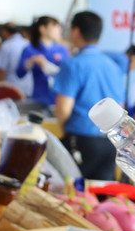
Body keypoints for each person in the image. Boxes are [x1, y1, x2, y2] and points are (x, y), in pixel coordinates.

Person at [53, 11, 124, 182]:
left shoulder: (73, 64)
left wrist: (66, 130)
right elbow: (120, 107)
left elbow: (63, 109)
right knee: (102, 197)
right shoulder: (113, 66)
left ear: (76, 31)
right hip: (110, 143)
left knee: (72, 195)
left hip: (81, 140)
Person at [16, 16, 68, 108]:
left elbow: (67, 73)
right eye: (55, 27)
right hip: (38, 98)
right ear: (42, 29)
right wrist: (30, 62)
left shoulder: (62, 50)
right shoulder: (30, 49)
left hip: (58, 98)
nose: (58, 31)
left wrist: (47, 65)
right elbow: (19, 73)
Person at [0, 22, 33, 97]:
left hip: (10, 89)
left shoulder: (7, 45)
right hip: (28, 88)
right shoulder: (28, 43)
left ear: (5, 32)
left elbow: (2, 69)